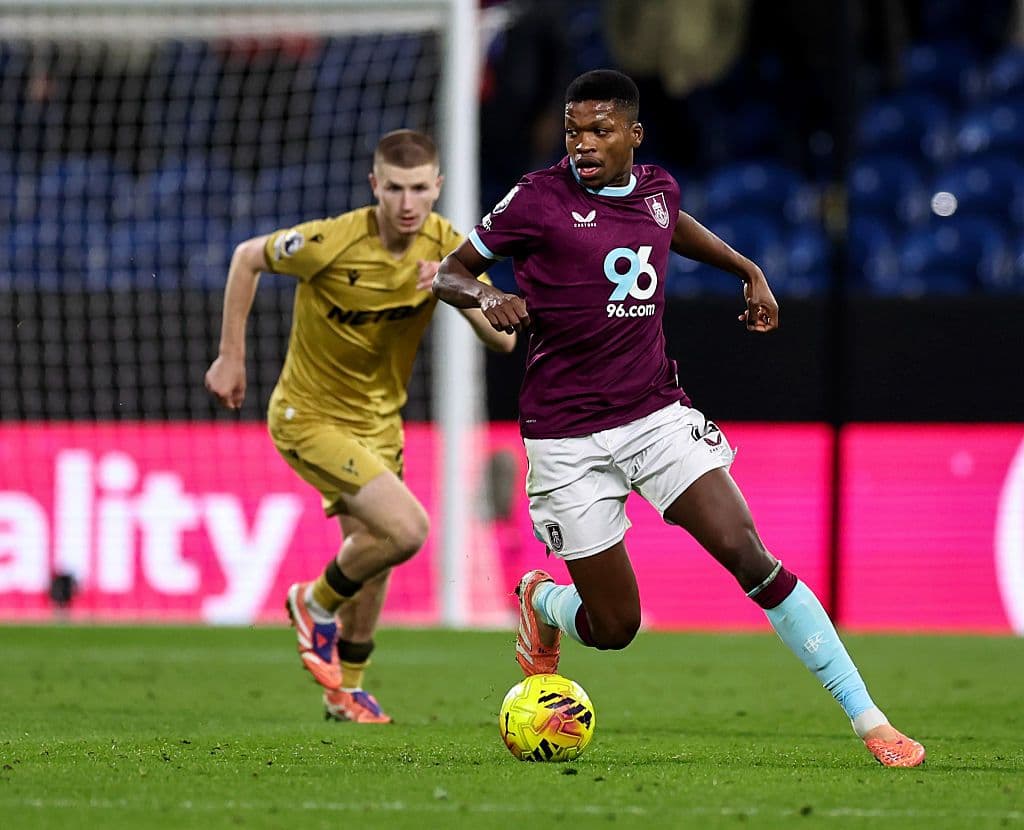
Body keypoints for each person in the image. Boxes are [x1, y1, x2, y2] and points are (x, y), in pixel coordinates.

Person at [433, 70, 925, 767]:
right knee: (614, 628)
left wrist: (746, 268)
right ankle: (543, 601)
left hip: (654, 414)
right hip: (564, 436)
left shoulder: (659, 189)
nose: (584, 144)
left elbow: (671, 227)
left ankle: (869, 719)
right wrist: (484, 295)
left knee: (748, 554)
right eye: (574, 130)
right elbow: (446, 272)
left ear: (634, 134)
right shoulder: (536, 200)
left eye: (601, 130)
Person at [205, 129, 515, 723]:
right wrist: (231, 357)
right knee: (407, 529)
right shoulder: (330, 241)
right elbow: (248, 256)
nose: (407, 202)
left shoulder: (448, 247)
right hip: (310, 416)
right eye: (395, 188)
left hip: (379, 424)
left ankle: (344, 690)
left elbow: (502, 338)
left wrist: (459, 295)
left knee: (372, 558)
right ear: (375, 186)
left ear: (437, 188)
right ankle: (312, 603)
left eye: (420, 189)